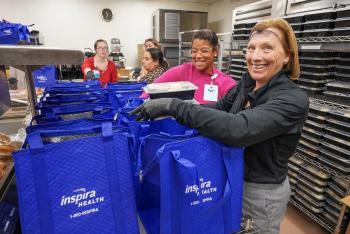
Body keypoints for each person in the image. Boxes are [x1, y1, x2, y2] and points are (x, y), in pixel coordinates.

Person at [130, 18, 309, 234]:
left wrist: (174, 106)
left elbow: (237, 129)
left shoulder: (292, 99)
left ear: (288, 55)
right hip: (228, 177)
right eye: (251, 48)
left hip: (259, 194)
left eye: (267, 48)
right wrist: (173, 112)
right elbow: (221, 107)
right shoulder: (248, 83)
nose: (256, 56)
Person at [148, 29, 236, 104]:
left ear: (215, 51)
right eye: (194, 51)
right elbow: (151, 90)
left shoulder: (226, 83)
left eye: (204, 51)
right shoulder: (184, 70)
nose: (198, 56)